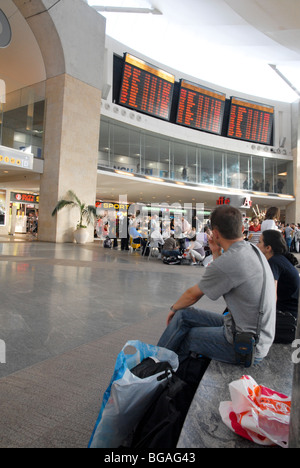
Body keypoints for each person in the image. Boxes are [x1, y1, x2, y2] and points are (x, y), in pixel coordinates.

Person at [157, 205, 276, 365]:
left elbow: (192, 295)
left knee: (186, 336)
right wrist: (215, 251)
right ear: (241, 229)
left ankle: (157, 372)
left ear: (215, 233)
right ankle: (156, 362)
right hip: (252, 332)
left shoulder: (231, 260)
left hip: (247, 345)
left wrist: (173, 309)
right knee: (184, 315)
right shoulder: (251, 249)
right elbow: (226, 271)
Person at [257, 229, 299, 343]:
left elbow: (271, 296)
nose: (257, 245)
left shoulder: (274, 262)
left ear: (268, 248)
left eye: (260, 242)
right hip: (291, 313)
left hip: (286, 317)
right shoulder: (281, 259)